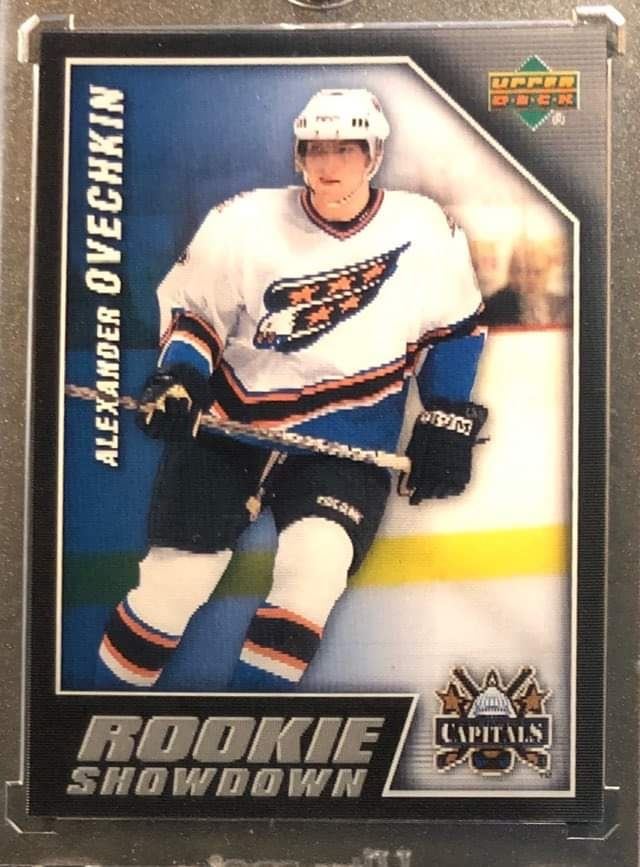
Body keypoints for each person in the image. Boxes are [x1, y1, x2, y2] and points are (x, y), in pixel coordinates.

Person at [96, 88, 488, 691]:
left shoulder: (424, 228)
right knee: (172, 587)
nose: (328, 164)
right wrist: (180, 378)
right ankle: (97, 713)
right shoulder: (242, 220)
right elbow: (197, 315)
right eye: (315, 149)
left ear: (374, 155)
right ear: (298, 155)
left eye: (345, 149)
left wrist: (449, 415)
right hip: (231, 424)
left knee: (315, 571)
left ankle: (251, 725)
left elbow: (455, 330)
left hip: (347, 438)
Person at [480, 238, 571, 327]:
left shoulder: (563, 305)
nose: (530, 279)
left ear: (548, 272)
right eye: (524, 271)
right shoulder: (491, 308)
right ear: (511, 273)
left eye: (537, 272)